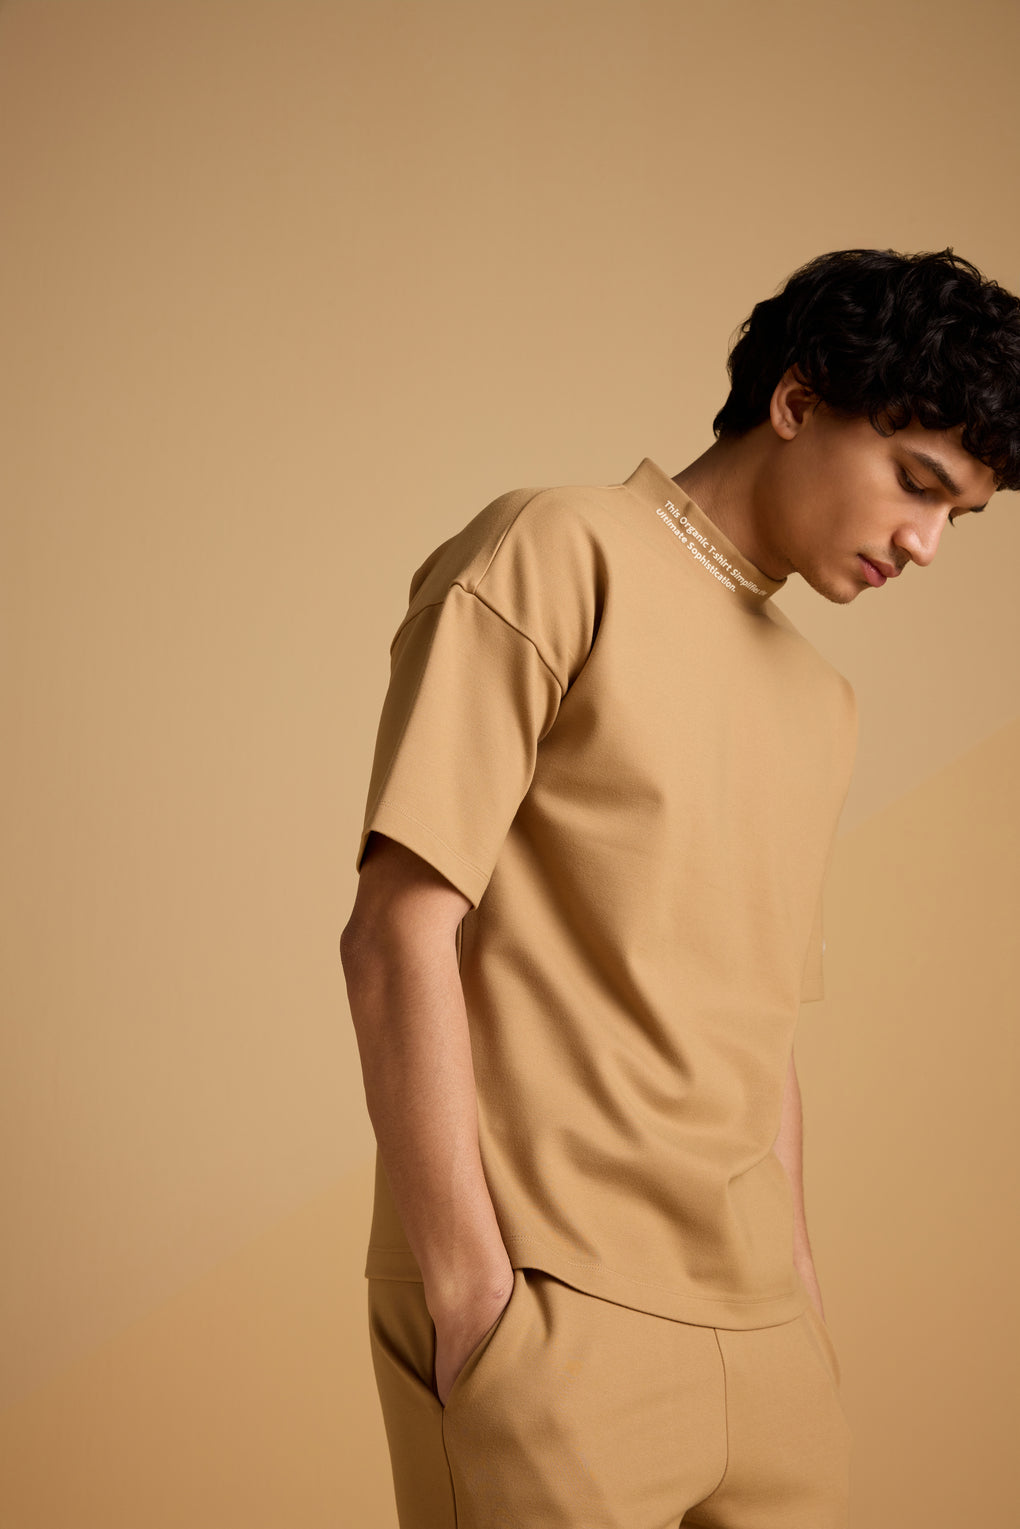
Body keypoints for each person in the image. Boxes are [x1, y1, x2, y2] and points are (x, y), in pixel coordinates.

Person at [340, 247, 1020, 1529]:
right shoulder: (558, 549)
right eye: (919, 483)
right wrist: (473, 1292)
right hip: (555, 1310)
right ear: (797, 401)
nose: (927, 543)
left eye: (962, 517)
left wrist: (801, 1300)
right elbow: (395, 930)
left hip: (766, 1341)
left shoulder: (821, 699)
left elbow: (761, 1026)